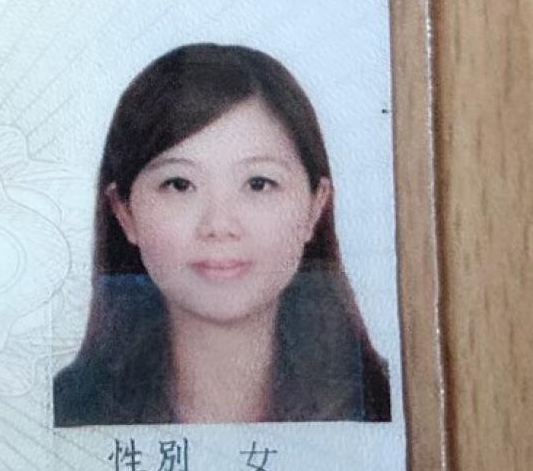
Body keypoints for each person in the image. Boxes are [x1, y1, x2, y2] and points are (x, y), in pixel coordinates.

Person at [53, 43, 391, 425]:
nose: (219, 226)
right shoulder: (63, 415)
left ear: (315, 206)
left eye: (259, 183)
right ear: (124, 212)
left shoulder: (389, 406)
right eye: (180, 184)